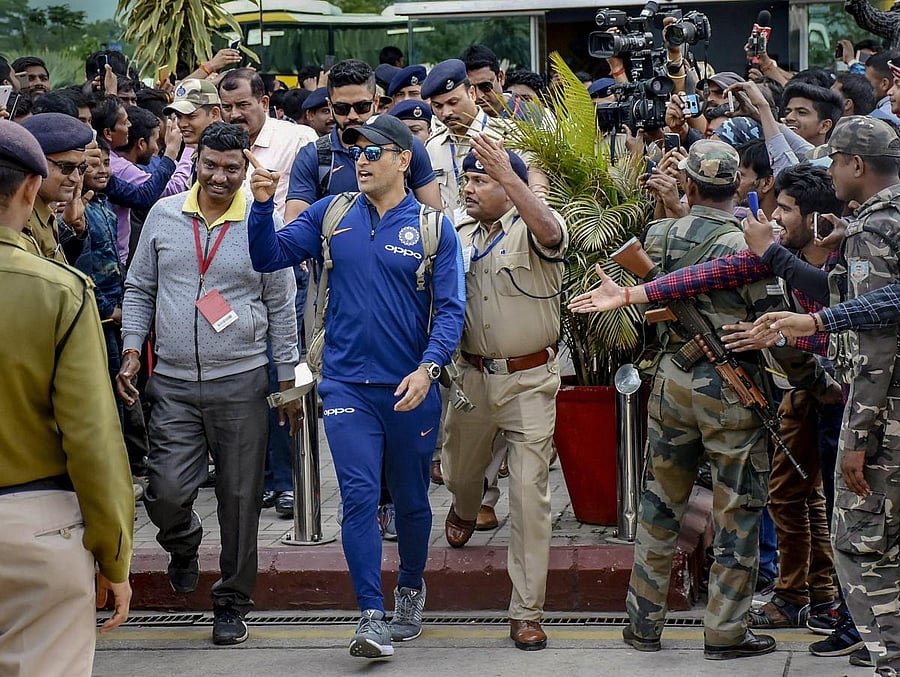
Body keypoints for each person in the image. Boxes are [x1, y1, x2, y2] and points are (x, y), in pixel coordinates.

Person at [246, 114, 465, 659]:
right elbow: (267, 255)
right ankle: (371, 613)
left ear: (402, 161)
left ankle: (410, 588)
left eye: (372, 153)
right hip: (344, 385)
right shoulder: (331, 212)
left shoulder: (435, 228)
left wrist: (428, 369)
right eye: (356, 152)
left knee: (412, 500)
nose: (360, 161)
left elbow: (450, 313)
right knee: (360, 497)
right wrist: (261, 205)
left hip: (410, 386)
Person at [570, 140, 788, 660]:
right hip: (733, 390)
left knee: (659, 505)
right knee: (738, 510)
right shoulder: (746, 246)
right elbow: (773, 323)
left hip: (672, 380)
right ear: (737, 186)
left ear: (688, 185)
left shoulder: (659, 234)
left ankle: (643, 623)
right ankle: (726, 630)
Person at [117, 122, 299, 646]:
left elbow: (281, 306)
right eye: (210, 166)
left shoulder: (260, 223)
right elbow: (139, 288)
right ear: (195, 163)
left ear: (247, 168)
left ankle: (232, 601)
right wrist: (133, 348)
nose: (220, 177)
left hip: (241, 380)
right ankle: (183, 541)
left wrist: (285, 377)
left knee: (240, 499)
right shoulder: (164, 215)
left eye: (232, 168)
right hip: (171, 382)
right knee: (165, 491)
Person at [758, 115, 900, 676]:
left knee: (860, 543)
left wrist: (857, 439)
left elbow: (877, 344)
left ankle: (889, 655)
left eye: (835, 160)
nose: (831, 171)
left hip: (885, 415)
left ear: (856, 165)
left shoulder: (876, 229)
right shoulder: (875, 224)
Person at [0, 119, 133, 676]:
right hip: (33, 524)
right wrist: (114, 553)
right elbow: (91, 436)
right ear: (32, 189)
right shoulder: (56, 288)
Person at [441, 138, 567, 652]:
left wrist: (512, 180)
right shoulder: (455, 229)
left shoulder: (534, 223)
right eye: (467, 179)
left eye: (481, 179)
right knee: (458, 471)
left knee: (531, 497)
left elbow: (553, 232)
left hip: (530, 380)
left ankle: (526, 612)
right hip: (470, 379)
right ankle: (466, 505)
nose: (469, 187)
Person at [285, 59, 440, 222]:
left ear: (376, 102)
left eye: (361, 107)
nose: (352, 116)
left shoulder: (407, 146)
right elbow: (294, 231)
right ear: (330, 106)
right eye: (342, 108)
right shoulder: (313, 157)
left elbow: (434, 223)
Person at [218, 69, 317, 215]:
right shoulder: (216, 144)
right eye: (227, 107)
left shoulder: (298, 139)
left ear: (264, 103)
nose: (234, 115)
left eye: (243, 105)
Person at [19, 112, 93, 263]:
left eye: (81, 168)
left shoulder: (45, 210)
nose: (75, 178)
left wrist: (68, 225)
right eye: (66, 167)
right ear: (35, 162)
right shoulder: (19, 219)